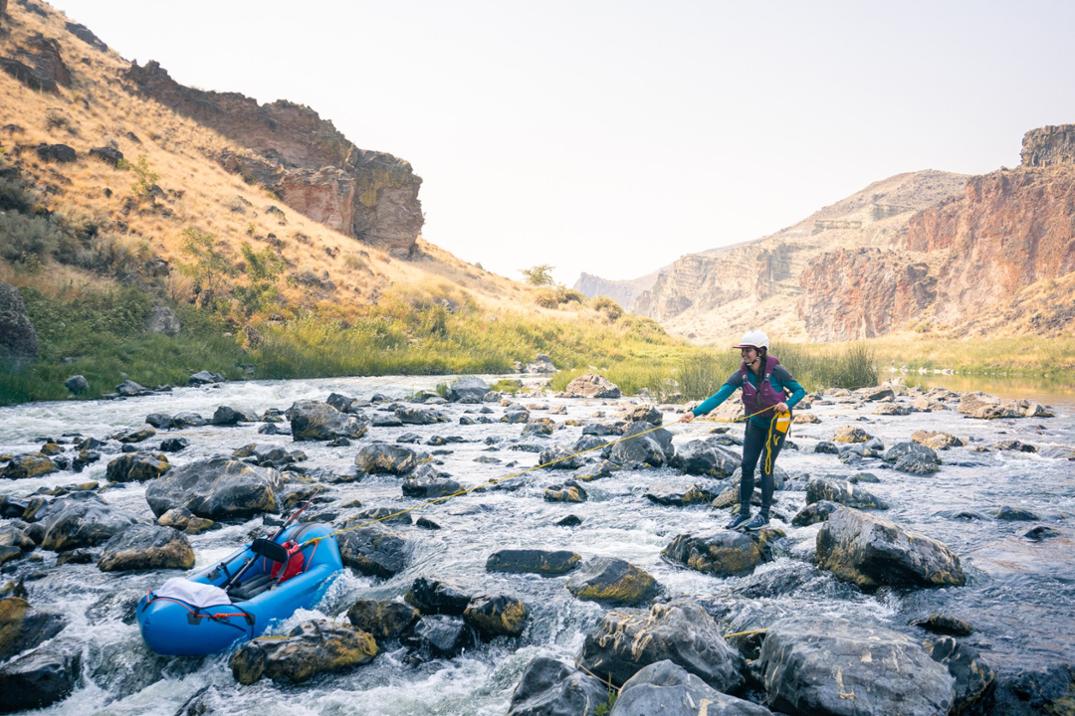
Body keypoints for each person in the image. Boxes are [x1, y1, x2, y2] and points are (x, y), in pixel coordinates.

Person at [679, 330, 806, 530]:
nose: (744, 354)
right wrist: (694, 413)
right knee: (746, 466)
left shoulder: (778, 372)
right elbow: (719, 396)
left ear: (761, 352)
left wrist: (787, 405)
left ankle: (764, 515)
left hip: (776, 426)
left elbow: (800, 391)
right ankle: (744, 513)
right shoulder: (741, 375)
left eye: (748, 350)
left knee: (766, 467)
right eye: (742, 350)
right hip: (755, 424)